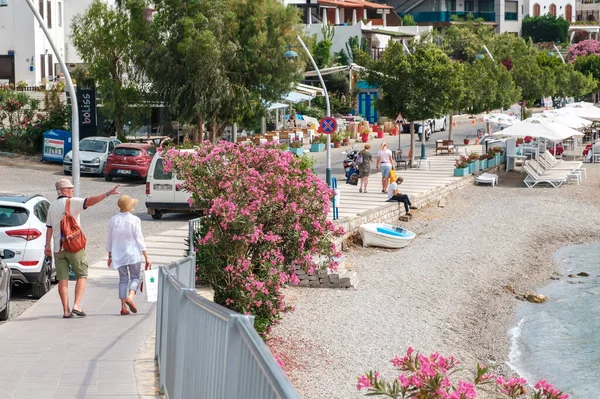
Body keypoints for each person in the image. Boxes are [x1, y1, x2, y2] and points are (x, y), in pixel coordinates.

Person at [44, 178, 121, 318]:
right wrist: (108, 193)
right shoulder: (72, 202)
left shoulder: (52, 206)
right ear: (63, 191)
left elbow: (48, 228)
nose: (72, 190)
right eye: (70, 188)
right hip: (74, 246)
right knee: (82, 275)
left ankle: (66, 311)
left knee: (62, 279)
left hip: (58, 249)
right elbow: (90, 201)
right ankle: (77, 305)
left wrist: (47, 246)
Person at [106, 195, 151, 315]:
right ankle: (130, 297)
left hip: (118, 255)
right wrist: (146, 256)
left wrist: (110, 255)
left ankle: (123, 307)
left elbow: (109, 239)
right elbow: (139, 239)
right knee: (135, 277)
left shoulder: (113, 220)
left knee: (123, 279)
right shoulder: (135, 220)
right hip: (133, 254)